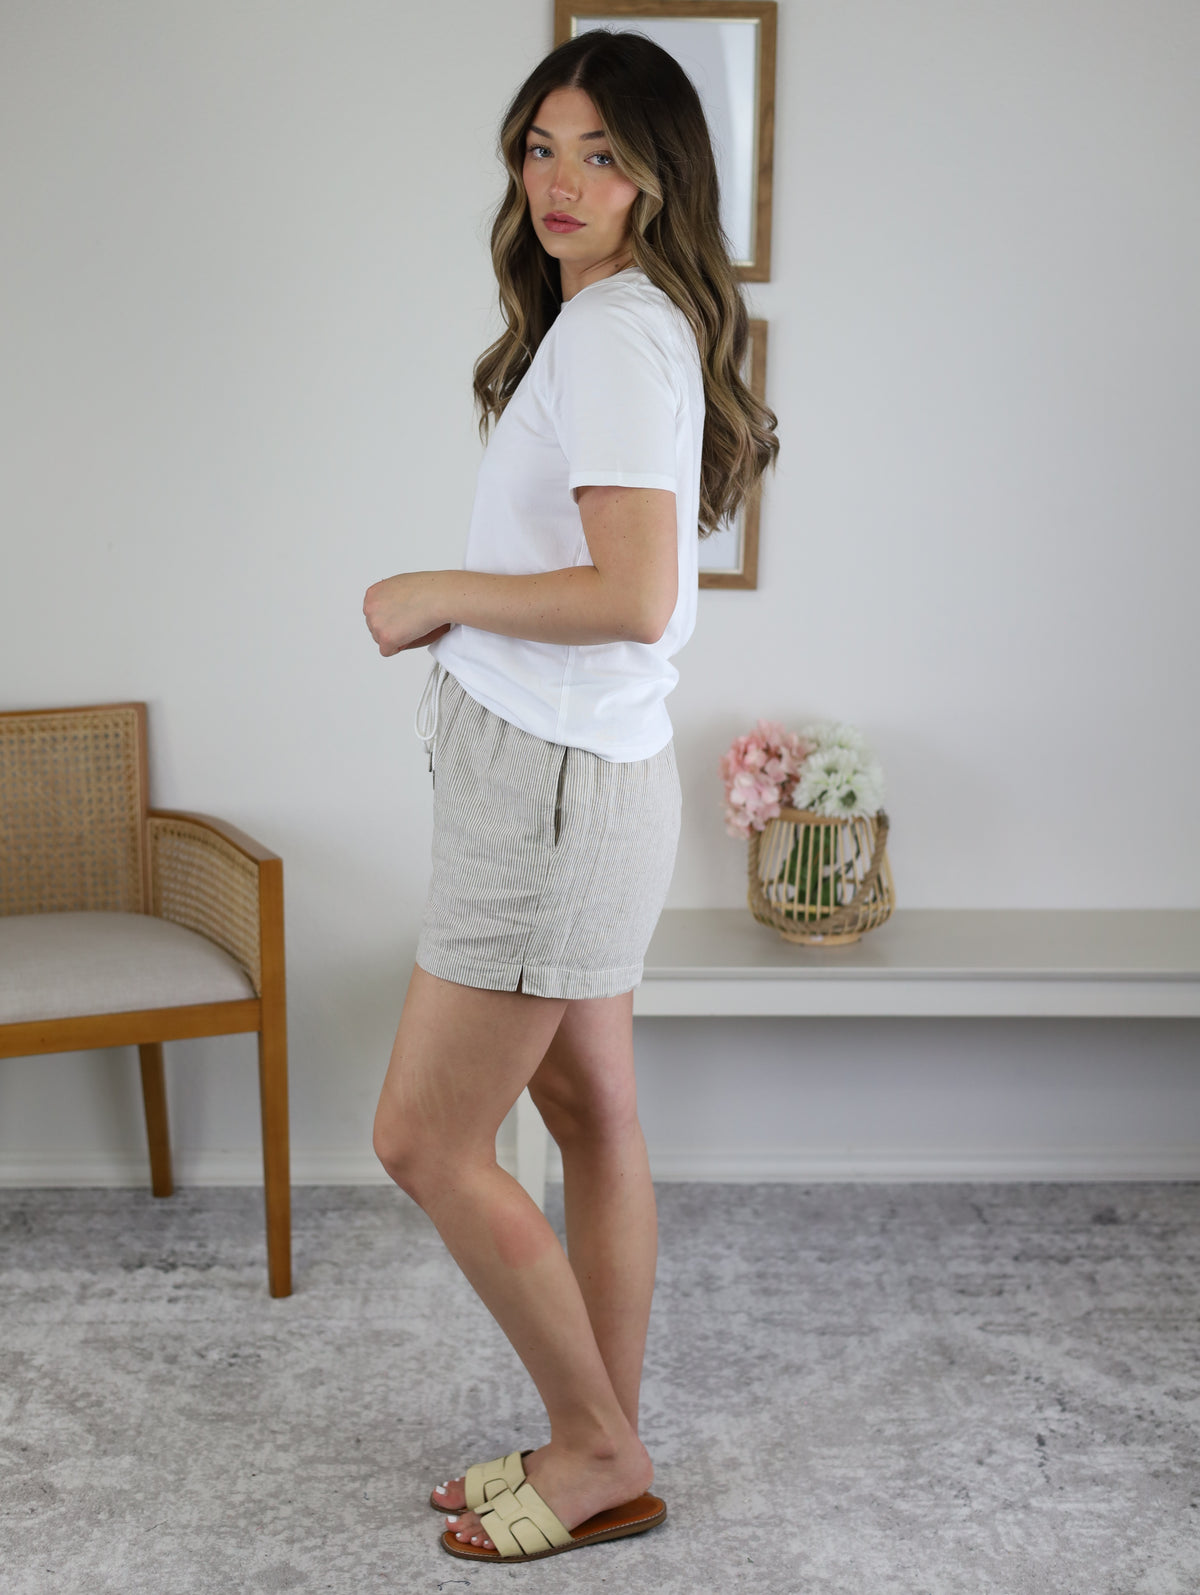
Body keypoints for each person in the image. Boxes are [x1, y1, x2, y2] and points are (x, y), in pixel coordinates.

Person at [364, 28, 778, 1565]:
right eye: (543, 146)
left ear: (658, 174)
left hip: (547, 793)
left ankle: (598, 1445)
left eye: (602, 153)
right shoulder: (632, 319)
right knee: (593, 1115)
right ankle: (599, 1442)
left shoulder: (612, 336)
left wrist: (435, 592)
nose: (562, 180)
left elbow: (631, 592)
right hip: (581, 780)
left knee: (423, 1138)